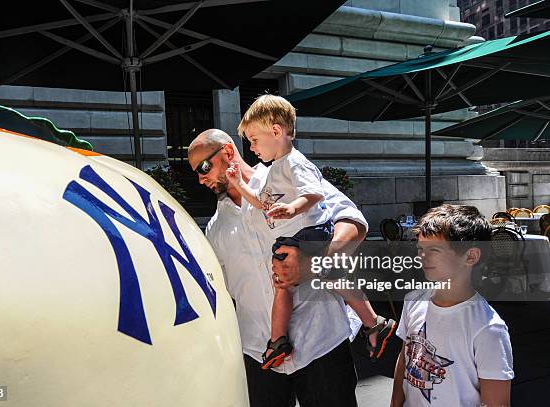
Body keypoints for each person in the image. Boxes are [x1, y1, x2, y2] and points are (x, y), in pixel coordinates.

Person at [189, 127, 376, 407]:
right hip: (260, 354)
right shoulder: (215, 228)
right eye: (196, 172)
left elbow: (353, 223)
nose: (201, 178)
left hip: (321, 342)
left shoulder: (286, 174)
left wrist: (315, 261)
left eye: (204, 166)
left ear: (228, 152)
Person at [224, 94, 395, 369]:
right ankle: (278, 341)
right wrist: (238, 183)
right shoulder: (272, 171)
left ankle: (373, 322)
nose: (252, 147)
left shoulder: (295, 162)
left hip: (312, 232)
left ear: (276, 131)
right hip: (291, 239)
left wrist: (292, 209)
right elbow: (259, 201)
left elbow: (314, 193)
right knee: (283, 285)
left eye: (254, 140)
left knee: (330, 275)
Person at [391, 204, 514, 407]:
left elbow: (497, 402)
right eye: (420, 248)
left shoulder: (488, 328)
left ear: (471, 256)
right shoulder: (413, 301)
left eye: (435, 250)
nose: (422, 256)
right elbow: (405, 359)